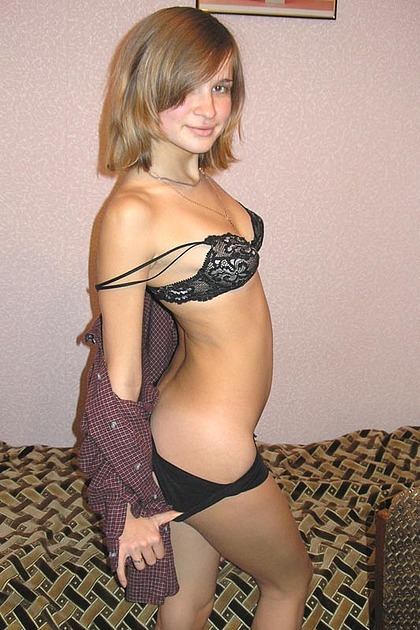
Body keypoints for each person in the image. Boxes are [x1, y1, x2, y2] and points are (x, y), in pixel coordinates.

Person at [79, 6, 312, 629]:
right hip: (204, 442)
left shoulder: (198, 177)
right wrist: (127, 498)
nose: (208, 108)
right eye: (185, 90)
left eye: (220, 86)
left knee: (190, 600)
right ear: (145, 90)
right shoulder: (133, 211)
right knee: (290, 583)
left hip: (198, 431)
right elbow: (120, 376)